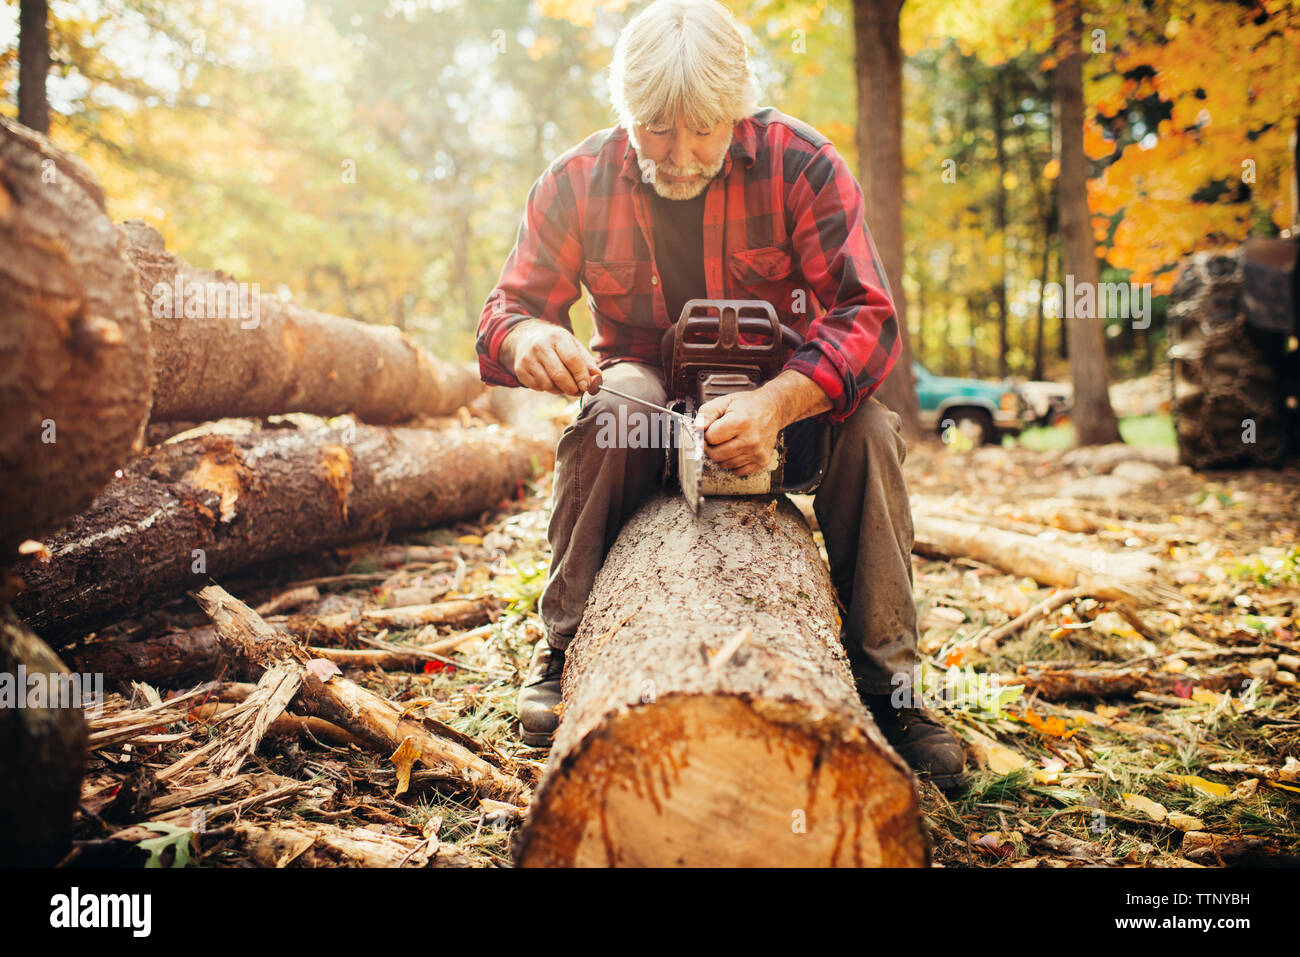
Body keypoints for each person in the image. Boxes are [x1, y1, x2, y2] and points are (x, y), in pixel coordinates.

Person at [475, 0, 965, 791]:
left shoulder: (800, 163)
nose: (678, 151)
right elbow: (505, 313)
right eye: (657, 129)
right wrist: (528, 339)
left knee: (871, 429)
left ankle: (892, 688)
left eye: (702, 128)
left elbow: (866, 319)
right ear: (626, 111)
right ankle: (563, 644)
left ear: (737, 108)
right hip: (649, 417)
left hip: (779, 413)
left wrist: (775, 405)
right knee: (611, 405)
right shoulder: (576, 181)